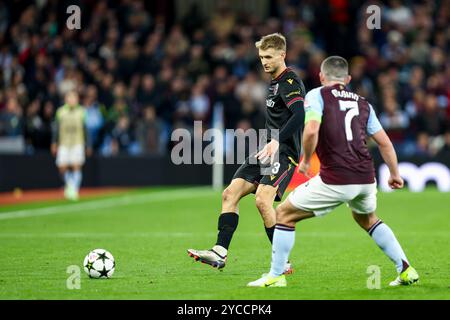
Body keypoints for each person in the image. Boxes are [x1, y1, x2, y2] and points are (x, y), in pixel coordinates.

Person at [248, 56, 419, 287]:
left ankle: (276, 276)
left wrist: (307, 160)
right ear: (347, 79)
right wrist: (395, 174)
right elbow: (385, 143)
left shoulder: (317, 95)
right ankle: (406, 269)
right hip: (366, 177)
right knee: (367, 218)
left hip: (336, 177)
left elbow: (310, 131)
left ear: (321, 76)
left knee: (283, 214)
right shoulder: (363, 103)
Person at [188, 33, 306, 273]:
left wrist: (276, 141)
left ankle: (282, 262)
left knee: (262, 201)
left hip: (284, 153)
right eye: (262, 57)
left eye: (269, 57)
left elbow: (300, 116)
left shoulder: (289, 81)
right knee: (229, 194)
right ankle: (219, 252)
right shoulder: (273, 82)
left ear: (282, 55)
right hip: (267, 149)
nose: (264, 61)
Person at [51, 90, 91, 200]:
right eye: (70, 97)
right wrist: (54, 142)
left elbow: (86, 129)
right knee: (62, 166)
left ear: (77, 99)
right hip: (64, 142)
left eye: (74, 97)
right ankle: (70, 186)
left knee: (76, 165)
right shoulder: (60, 112)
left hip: (77, 142)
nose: (72, 100)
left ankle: (74, 190)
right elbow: (56, 128)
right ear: (66, 99)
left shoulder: (82, 112)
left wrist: (88, 145)